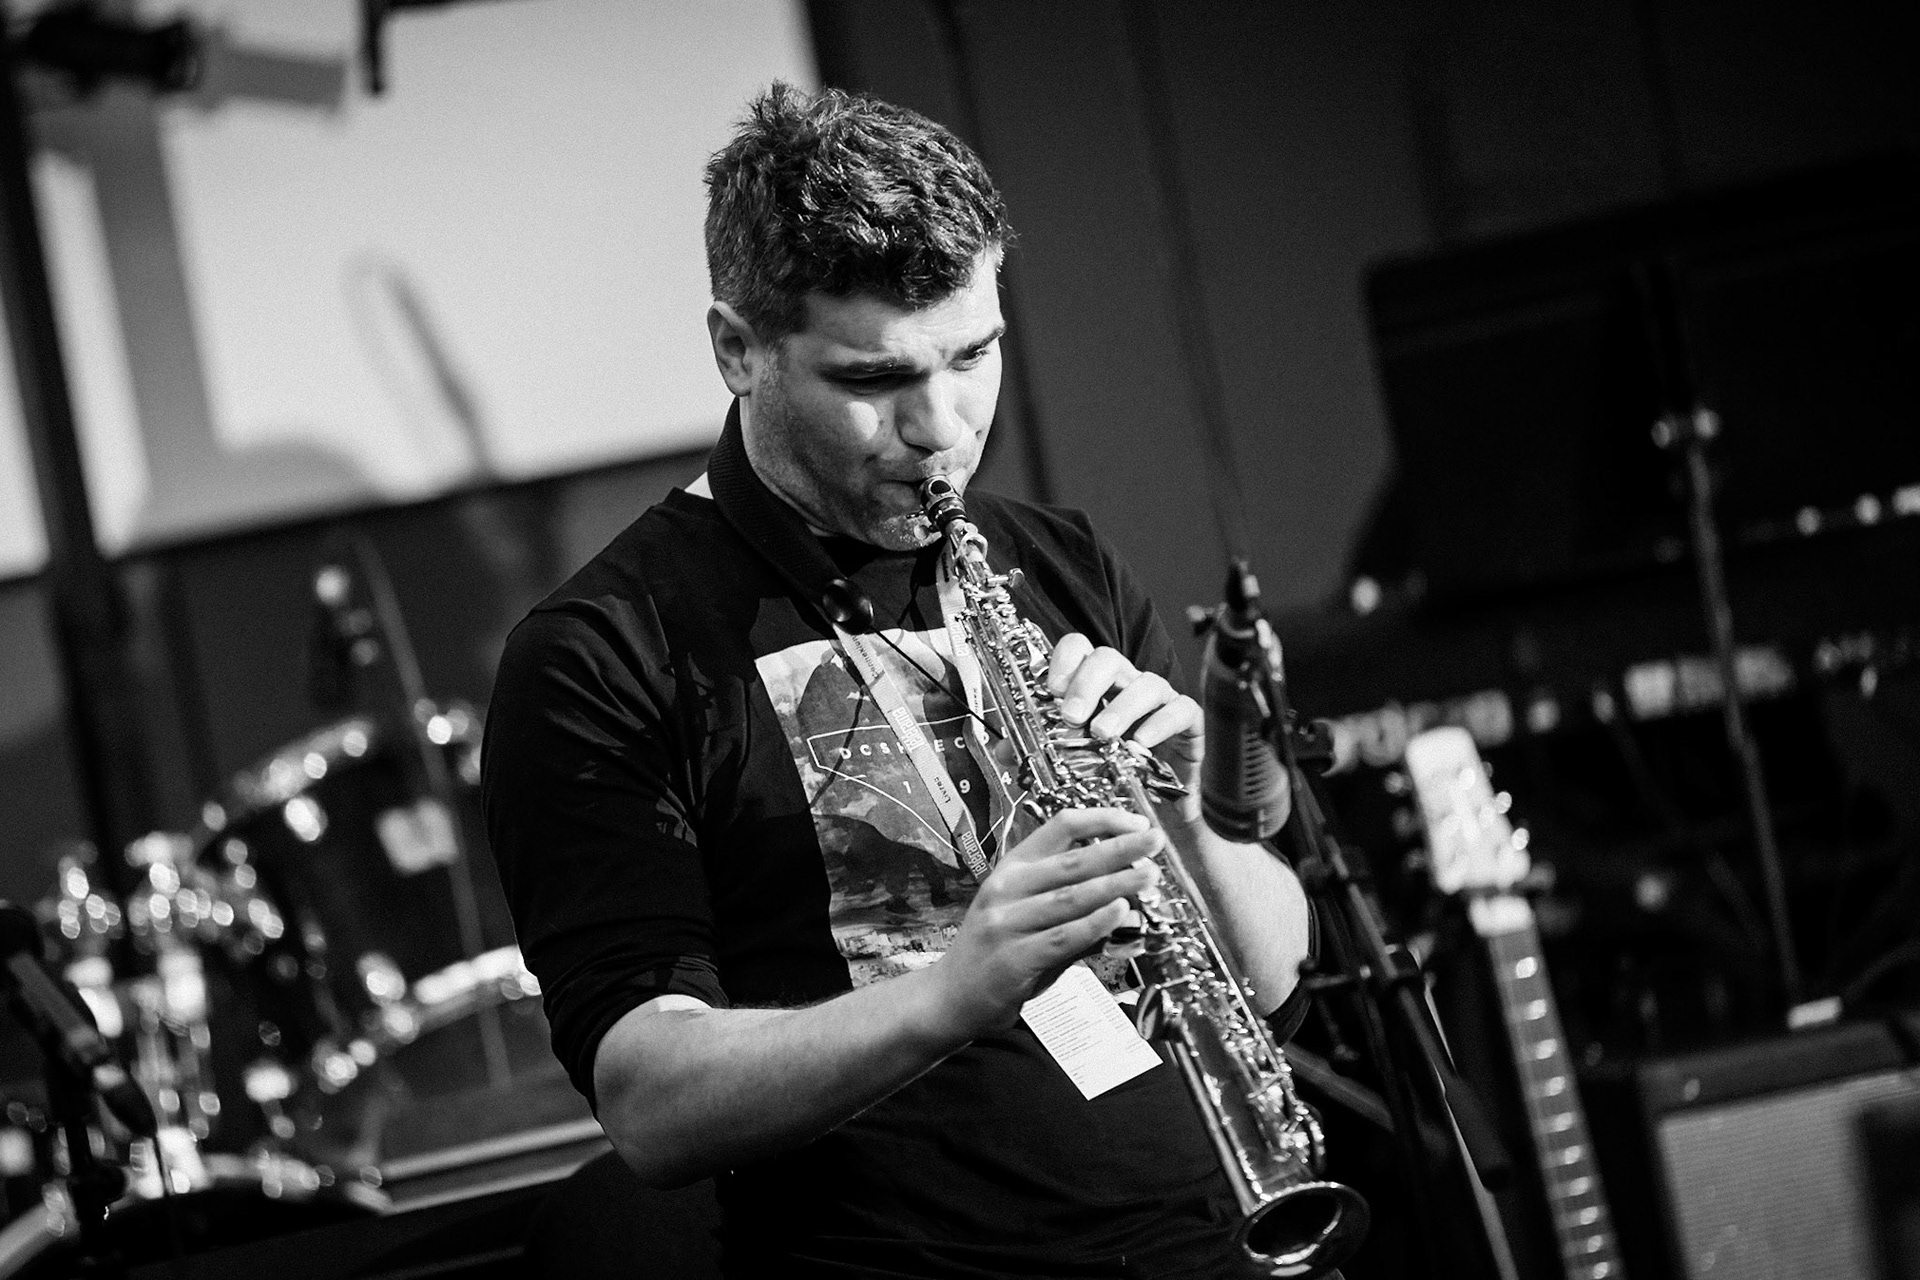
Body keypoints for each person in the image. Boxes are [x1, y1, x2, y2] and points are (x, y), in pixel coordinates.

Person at [482, 83, 1314, 1278]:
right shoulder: (603, 651)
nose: (941, 428)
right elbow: (649, 1097)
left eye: (973, 355)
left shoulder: (1061, 560)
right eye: (872, 382)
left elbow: (1277, 977)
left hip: (1221, 1242)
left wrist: (1192, 804)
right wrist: (953, 989)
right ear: (737, 350)